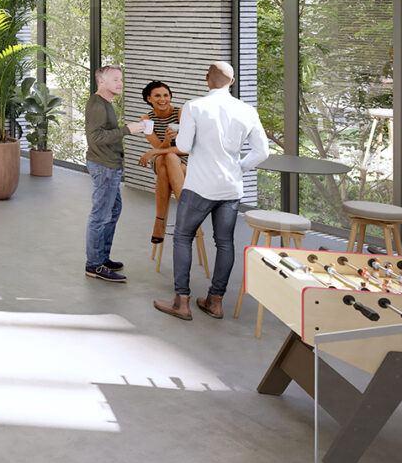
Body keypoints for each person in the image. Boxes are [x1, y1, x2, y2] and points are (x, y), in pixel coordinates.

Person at [154, 62, 270, 321]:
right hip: (230, 187)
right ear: (232, 81)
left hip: (200, 186)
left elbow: (183, 145)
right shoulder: (247, 110)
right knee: (225, 242)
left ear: (207, 80)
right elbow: (262, 152)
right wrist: (238, 166)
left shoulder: (195, 107)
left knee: (183, 237)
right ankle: (215, 302)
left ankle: (181, 302)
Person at [84, 66, 149, 283]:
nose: (120, 83)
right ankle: (94, 265)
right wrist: (126, 130)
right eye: (115, 79)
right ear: (101, 82)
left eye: (121, 79)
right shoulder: (98, 105)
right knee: (100, 216)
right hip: (104, 167)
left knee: (113, 209)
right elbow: (95, 138)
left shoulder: (105, 103)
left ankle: (102, 257)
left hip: (109, 166)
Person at [136, 80, 187, 244]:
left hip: (183, 159)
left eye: (166, 95)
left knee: (167, 166)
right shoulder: (145, 121)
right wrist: (165, 141)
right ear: (149, 98)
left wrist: (155, 151)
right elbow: (159, 147)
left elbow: (186, 148)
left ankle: (159, 222)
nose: (163, 99)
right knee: (167, 158)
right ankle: (185, 211)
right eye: (157, 95)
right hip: (162, 158)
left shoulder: (180, 113)